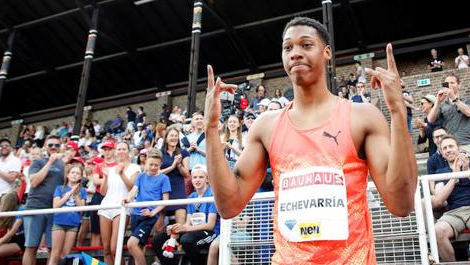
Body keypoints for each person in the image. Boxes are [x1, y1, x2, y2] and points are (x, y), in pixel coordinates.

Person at [204, 17, 417, 264]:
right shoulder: (266, 126)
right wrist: (210, 129)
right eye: (288, 48)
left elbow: (401, 205)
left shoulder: (362, 117)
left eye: (306, 45)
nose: (295, 54)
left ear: (327, 52)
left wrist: (398, 112)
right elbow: (229, 205)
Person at [432, 136, 470, 261]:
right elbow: (438, 200)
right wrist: (454, 176)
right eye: (445, 148)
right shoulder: (440, 172)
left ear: (458, 148)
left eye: (451, 146)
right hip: (453, 213)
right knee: (437, 230)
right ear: (442, 154)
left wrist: (467, 170)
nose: (448, 150)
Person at [151, 165, 220, 265]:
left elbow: (210, 225)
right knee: (157, 240)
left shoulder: (211, 195)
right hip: (193, 231)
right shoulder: (192, 196)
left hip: (211, 233)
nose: (197, 180)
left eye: (201, 177)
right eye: (195, 177)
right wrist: (175, 228)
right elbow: (188, 223)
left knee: (186, 239)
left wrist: (185, 229)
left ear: (207, 179)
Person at [23, 135, 67, 265]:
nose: (54, 148)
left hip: (54, 209)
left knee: (52, 249)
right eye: (50, 145)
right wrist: (49, 162)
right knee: (31, 247)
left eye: (57, 145)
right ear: (45, 147)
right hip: (35, 207)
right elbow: (34, 182)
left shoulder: (63, 165)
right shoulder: (38, 162)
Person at [125, 149, 171, 265]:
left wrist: (152, 212)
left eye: (156, 165)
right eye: (151, 164)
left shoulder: (164, 178)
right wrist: (128, 199)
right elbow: (133, 191)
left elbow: (165, 201)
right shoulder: (140, 177)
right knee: (139, 247)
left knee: (131, 244)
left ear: (160, 165)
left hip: (149, 216)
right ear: (145, 163)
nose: (153, 167)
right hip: (136, 214)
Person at [99, 142, 140, 265]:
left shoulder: (135, 168)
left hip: (122, 207)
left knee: (114, 248)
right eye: (119, 149)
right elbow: (103, 192)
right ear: (115, 152)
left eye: (124, 149)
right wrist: (105, 177)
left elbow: (131, 188)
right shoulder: (110, 169)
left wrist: (121, 173)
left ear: (128, 151)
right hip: (106, 206)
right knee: (106, 250)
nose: (121, 151)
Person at [428, 74, 470, 162]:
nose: (449, 85)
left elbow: (468, 112)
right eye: (447, 83)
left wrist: (453, 97)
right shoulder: (443, 105)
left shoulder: (467, 101)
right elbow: (430, 119)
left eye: (452, 83)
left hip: (466, 143)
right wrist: (438, 101)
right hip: (449, 145)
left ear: (459, 85)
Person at [48, 165, 86, 265]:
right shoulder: (60, 188)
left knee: (66, 254)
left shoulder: (82, 191)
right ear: (68, 175)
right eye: (72, 172)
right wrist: (70, 193)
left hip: (73, 225)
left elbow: (81, 209)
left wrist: (76, 194)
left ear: (81, 177)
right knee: (55, 254)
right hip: (59, 222)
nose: (74, 175)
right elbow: (55, 206)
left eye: (77, 173)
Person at [156, 125, 190, 233]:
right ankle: (161, 246)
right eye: (171, 135)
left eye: (176, 136)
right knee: (158, 227)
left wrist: (179, 165)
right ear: (166, 138)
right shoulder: (159, 153)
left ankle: (179, 246)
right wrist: (171, 167)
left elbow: (186, 174)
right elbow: (155, 173)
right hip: (162, 190)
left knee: (180, 225)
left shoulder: (183, 152)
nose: (174, 138)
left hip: (178, 189)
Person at [0, 192, 24, 264]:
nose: (0, 205)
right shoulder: (10, 212)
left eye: (1, 203)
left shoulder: (21, 209)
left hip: (21, 241)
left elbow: (12, 231)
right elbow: (8, 237)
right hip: (13, 240)